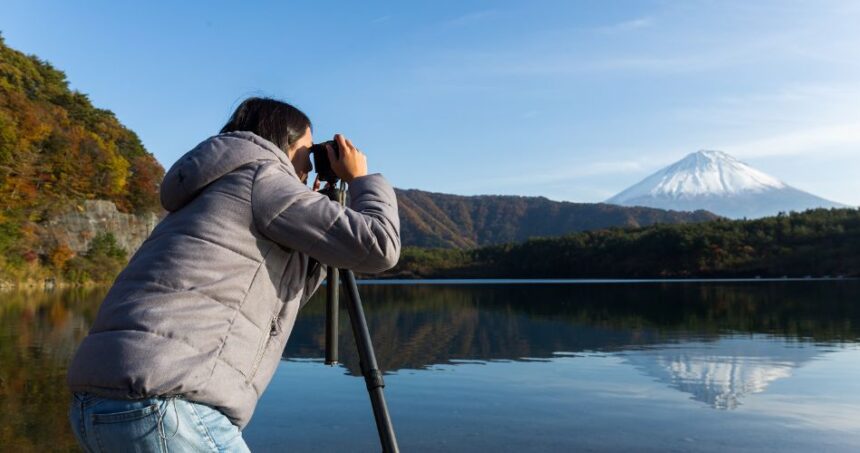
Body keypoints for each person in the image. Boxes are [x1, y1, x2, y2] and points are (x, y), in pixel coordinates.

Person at [66, 97, 401, 452]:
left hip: (99, 402)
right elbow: (380, 246)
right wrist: (361, 179)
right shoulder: (265, 177)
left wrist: (320, 219)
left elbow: (279, 299)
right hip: (167, 401)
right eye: (308, 151)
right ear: (283, 144)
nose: (309, 164)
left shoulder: (209, 187)